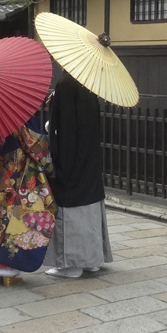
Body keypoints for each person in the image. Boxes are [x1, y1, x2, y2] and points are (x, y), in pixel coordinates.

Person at [45, 71, 112, 278]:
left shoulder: (66, 84)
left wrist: (52, 120)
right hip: (88, 155)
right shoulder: (87, 81)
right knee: (89, 202)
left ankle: (71, 264)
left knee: (70, 204)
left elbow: (65, 128)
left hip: (71, 157)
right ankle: (92, 260)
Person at [0, 122, 56, 285]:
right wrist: (51, 167)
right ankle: (8, 265)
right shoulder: (14, 112)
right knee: (11, 216)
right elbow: (33, 142)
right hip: (14, 175)